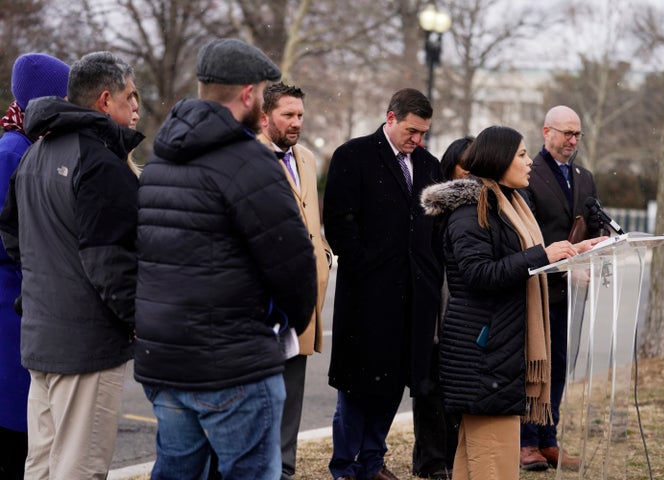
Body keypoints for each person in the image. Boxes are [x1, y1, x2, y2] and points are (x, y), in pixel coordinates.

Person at [133, 38, 318, 480]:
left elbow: (138, 256)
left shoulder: (159, 160)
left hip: (165, 361)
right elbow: (294, 268)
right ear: (250, 94)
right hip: (233, 364)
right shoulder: (251, 162)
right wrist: (282, 325)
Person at [420, 125, 603, 480]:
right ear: (499, 159)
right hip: (484, 348)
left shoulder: (508, 203)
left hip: (496, 346)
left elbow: (516, 264)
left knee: (475, 462)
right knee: (494, 462)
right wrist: (540, 255)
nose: (529, 162)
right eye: (521, 154)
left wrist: (568, 254)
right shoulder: (472, 209)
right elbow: (479, 275)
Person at [0, 51, 143, 479]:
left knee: (42, 465)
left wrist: (43, 288)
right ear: (104, 101)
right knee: (79, 467)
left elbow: (12, 235)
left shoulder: (34, 154)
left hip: (41, 337)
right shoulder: (100, 162)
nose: (137, 107)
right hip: (86, 344)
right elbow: (109, 262)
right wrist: (140, 318)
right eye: (131, 96)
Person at [322, 87, 444, 480]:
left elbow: (434, 229)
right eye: (411, 130)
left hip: (415, 297)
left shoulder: (428, 165)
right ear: (391, 118)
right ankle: (346, 466)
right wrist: (365, 266)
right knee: (358, 384)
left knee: (394, 384)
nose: (417, 140)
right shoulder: (353, 156)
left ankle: (373, 461)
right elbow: (339, 224)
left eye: (423, 132)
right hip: (367, 296)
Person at [520, 105, 602, 471]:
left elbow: (592, 226)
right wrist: (562, 268)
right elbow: (527, 234)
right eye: (566, 133)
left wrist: (593, 254)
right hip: (539, 286)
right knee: (536, 365)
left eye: (577, 135)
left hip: (573, 290)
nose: (572, 141)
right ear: (546, 132)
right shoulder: (528, 174)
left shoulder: (585, 177)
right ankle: (526, 442)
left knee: (560, 367)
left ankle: (549, 438)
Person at [257, 82, 333, 480]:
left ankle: (284, 469)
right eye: (288, 115)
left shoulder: (305, 157)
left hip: (305, 295)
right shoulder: (250, 156)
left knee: (293, 390)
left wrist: (322, 257)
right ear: (265, 115)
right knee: (262, 394)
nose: (296, 123)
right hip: (266, 298)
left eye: (300, 115)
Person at [0, 52, 69, 480]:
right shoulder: (13, 152)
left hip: (22, 306)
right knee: (15, 434)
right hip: (11, 308)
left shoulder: (25, 145)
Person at [411, 136, 473, 480]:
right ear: (449, 168)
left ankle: (453, 457)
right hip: (436, 304)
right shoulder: (433, 207)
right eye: (464, 166)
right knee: (431, 387)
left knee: (458, 390)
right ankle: (432, 461)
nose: (469, 174)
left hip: (466, 307)